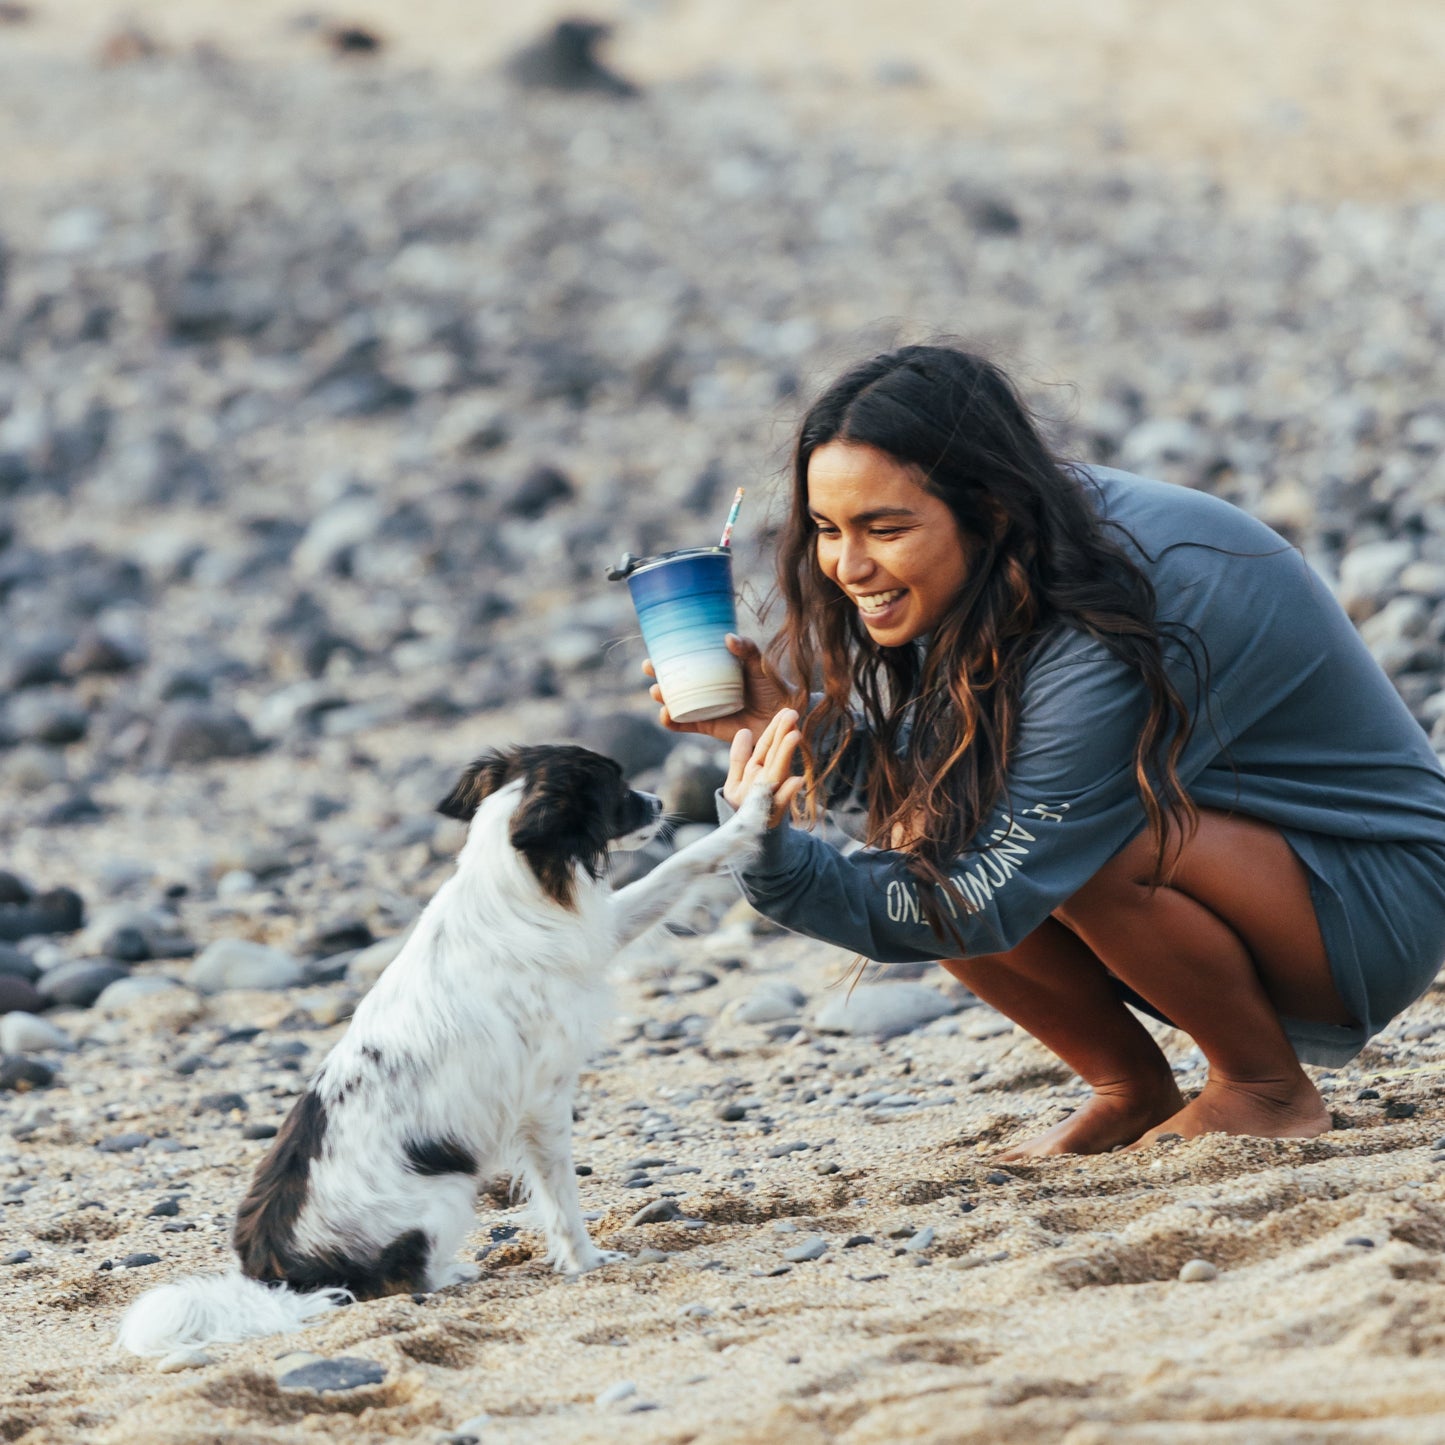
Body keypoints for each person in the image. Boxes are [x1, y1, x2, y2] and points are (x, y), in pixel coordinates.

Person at [643, 344, 1445, 1157]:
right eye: (826, 529)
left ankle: (1262, 1089)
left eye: (883, 529)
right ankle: (1131, 1088)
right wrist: (799, 730)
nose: (848, 567)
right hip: (1253, 870)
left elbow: (984, 887)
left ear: (985, 506)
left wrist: (775, 866)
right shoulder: (1015, 545)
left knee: (1065, 843)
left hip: (1372, 896)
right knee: (941, 820)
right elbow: (946, 783)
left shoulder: (1118, 601)